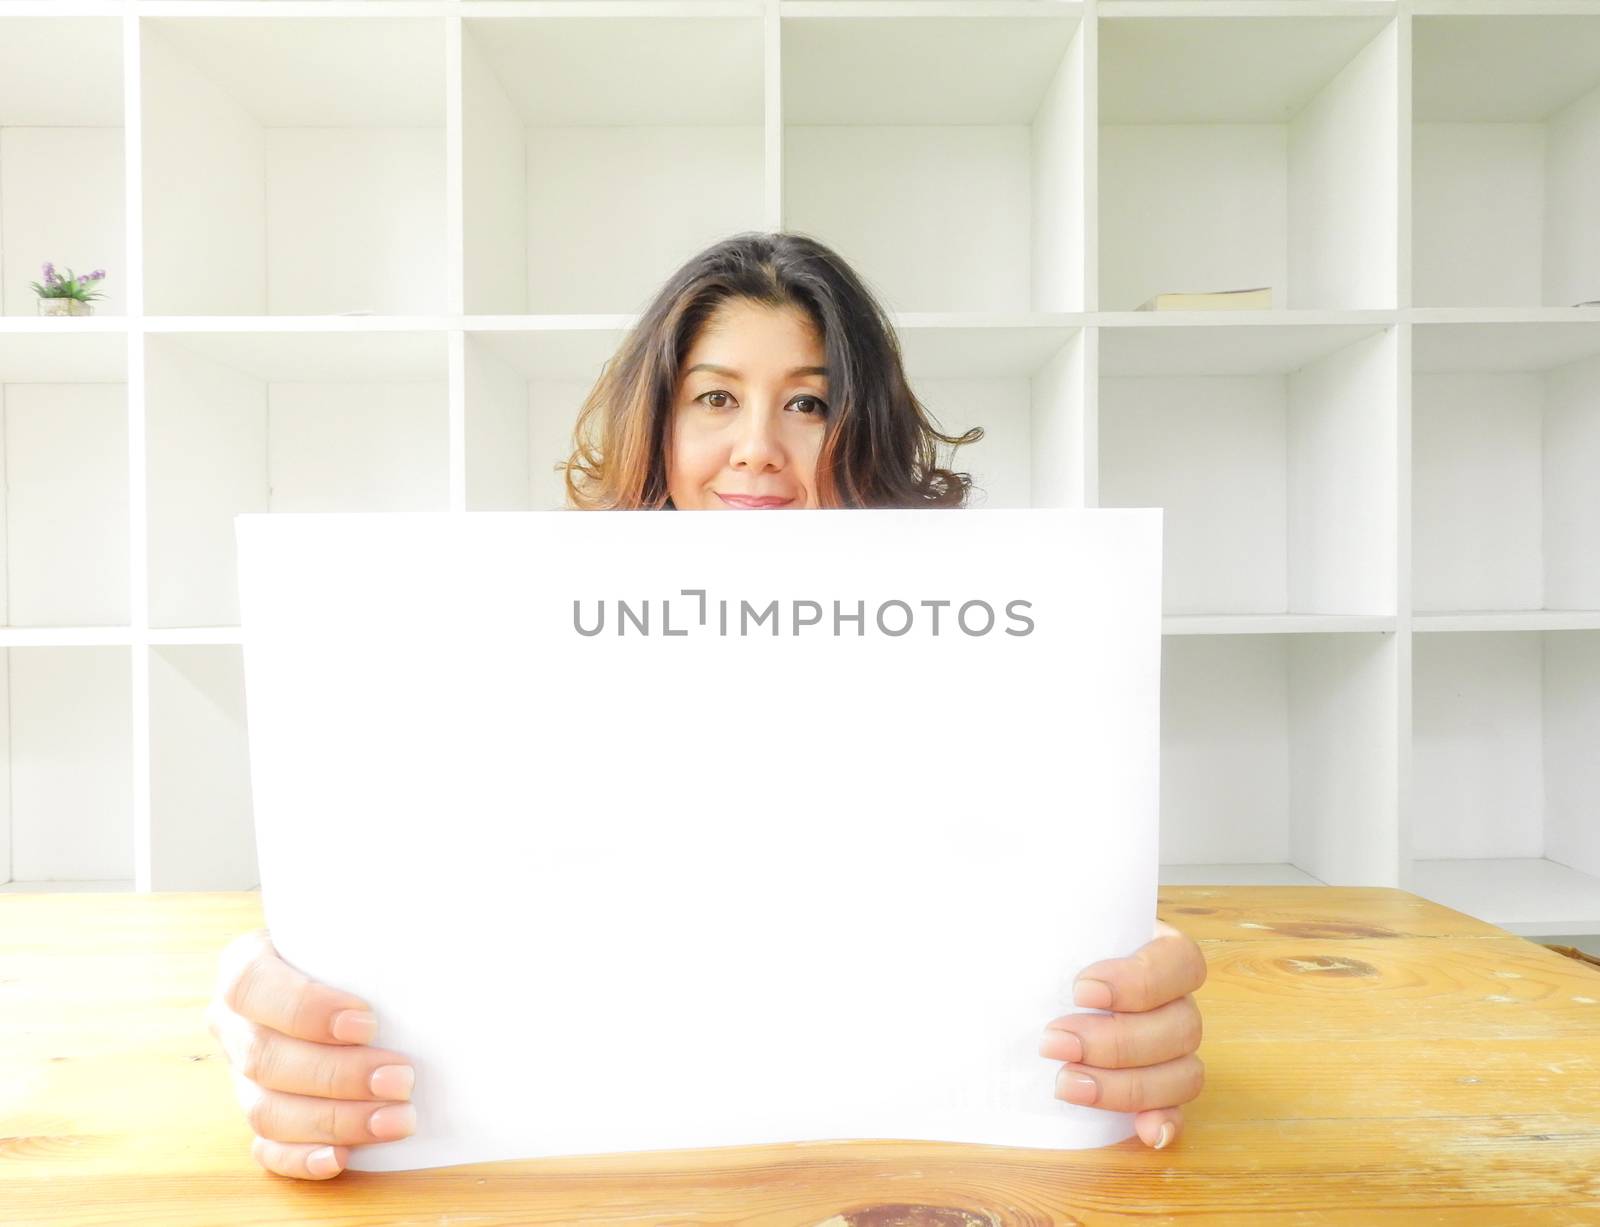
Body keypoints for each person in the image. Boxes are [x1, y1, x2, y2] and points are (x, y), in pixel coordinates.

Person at [205, 231, 1208, 1181]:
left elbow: (1020, 891)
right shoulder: (532, 645)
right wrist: (259, 1001)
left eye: (808, 405)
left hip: (891, 1174)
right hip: (602, 1167)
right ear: (660, 419)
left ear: (865, 430)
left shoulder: (975, 648)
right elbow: (416, 888)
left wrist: (1127, 973)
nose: (757, 449)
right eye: (715, 398)